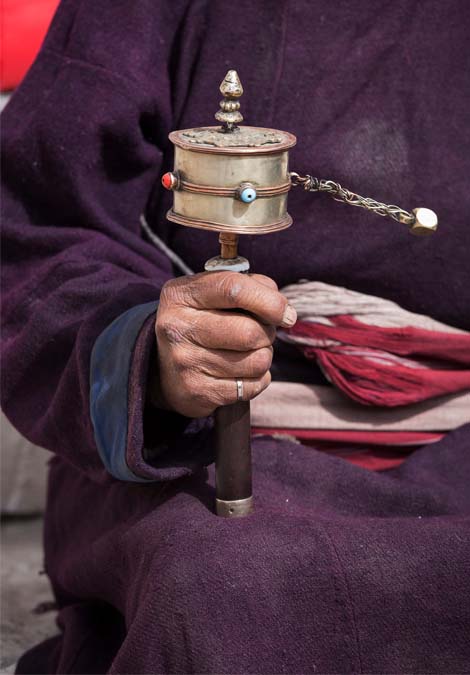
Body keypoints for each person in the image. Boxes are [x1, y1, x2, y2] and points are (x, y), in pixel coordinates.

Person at [2, 1, 470, 672]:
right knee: (230, 592)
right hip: (212, 443)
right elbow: (34, 228)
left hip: (456, 432)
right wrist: (152, 354)